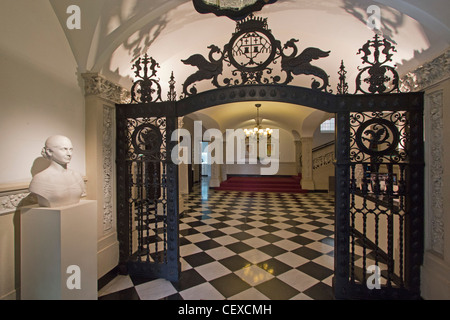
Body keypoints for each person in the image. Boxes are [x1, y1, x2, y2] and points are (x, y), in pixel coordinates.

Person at [29, 135, 85, 207]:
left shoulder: (77, 175)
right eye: (64, 149)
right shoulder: (41, 179)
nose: (69, 154)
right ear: (49, 151)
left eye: (71, 149)